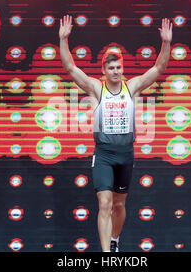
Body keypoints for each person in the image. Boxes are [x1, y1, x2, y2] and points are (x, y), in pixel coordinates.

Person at [59, 15, 172, 252]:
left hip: (125, 154)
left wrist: (166, 43)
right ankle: (106, 255)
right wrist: (63, 39)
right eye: (111, 68)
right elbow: (70, 67)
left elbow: (159, 68)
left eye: (119, 67)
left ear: (123, 68)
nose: (116, 71)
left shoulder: (131, 87)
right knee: (104, 203)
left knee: (119, 206)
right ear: (104, 70)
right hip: (104, 154)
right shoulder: (96, 88)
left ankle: (115, 240)